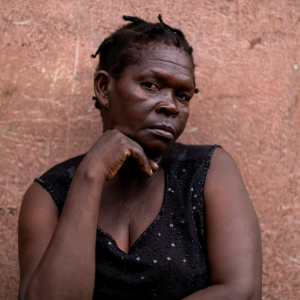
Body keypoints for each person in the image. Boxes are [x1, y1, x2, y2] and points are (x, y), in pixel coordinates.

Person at [18, 15, 262, 300]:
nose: (171, 106)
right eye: (151, 85)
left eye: (183, 95)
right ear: (103, 87)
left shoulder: (209, 171)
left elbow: (242, 291)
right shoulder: (48, 195)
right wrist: (91, 174)